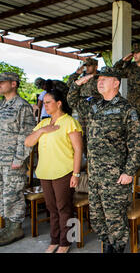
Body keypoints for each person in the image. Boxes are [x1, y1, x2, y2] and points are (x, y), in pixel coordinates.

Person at [67, 66, 140, 253]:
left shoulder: (126, 109)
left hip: (115, 176)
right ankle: (107, 246)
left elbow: (136, 144)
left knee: (115, 218)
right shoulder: (94, 104)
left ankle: (116, 249)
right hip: (94, 174)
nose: (100, 81)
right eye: (99, 79)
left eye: (105, 78)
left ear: (116, 83)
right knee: (97, 216)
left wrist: (129, 171)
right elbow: (72, 100)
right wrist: (80, 81)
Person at [24, 89, 82, 253]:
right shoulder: (43, 123)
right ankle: (55, 239)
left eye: (49, 102)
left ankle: (66, 241)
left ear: (59, 103)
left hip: (64, 171)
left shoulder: (70, 122)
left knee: (64, 207)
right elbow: (28, 142)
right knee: (52, 208)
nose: (46, 105)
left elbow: (78, 149)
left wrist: (76, 174)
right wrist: (42, 131)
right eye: (45, 102)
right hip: (45, 172)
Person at [0, 72, 35, 246]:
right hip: (0, 159)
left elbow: (27, 135)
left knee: (13, 194)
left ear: (13, 84)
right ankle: (7, 226)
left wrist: (19, 159)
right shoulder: (2, 105)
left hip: (13, 160)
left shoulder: (22, 106)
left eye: (2, 82)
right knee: (2, 193)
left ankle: (15, 228)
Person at [66, 58, 101, 153]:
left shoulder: (100, 77)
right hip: (82, 111)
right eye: (86, 66)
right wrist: (77, 73)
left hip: (95, 111)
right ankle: (85, 156)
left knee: (94, 134)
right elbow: (69, 84)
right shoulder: (82, 77)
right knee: (82, 135)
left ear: (96, 66)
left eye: (89, 65)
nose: (87, 68)